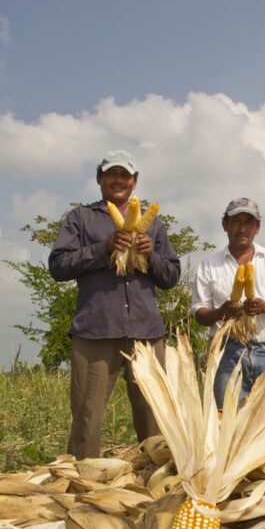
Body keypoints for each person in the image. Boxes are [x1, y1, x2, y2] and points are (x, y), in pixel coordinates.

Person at [48, 150, 181, 459]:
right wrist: (102, 248)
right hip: (96, 330)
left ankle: (156, 479)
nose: (118, 180)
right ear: (100, 179)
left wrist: (152, 256)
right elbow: (58, 266)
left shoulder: (155, 225)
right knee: (86, 419)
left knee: (155, 418)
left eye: (125, 175)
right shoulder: (81, 218)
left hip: (146, 332)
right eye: (111, 174)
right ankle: (83, 485)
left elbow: (171, 276)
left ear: (134, 182)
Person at [192, 198, 265, 406]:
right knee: (227, 420)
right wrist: (220, 312)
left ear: (257, 228)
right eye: (236, 221)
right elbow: (198, 311)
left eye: (248, 222)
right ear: (225, 225)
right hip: (226, 352)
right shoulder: (209, 265)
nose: (242, 228)